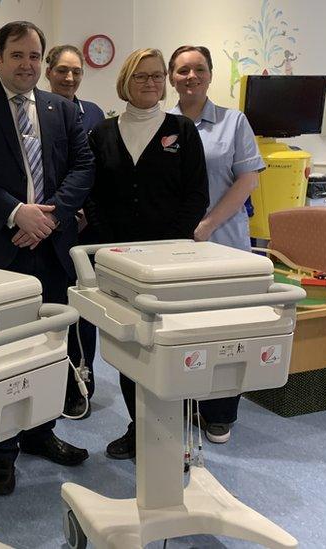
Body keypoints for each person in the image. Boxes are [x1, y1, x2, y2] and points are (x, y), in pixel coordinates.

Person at [0, 21, 93, 496]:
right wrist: (16, 214)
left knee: (49, 348)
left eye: (34, 56)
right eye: (17, 55)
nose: (27, 64)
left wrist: (46, 219)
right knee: (3, 354)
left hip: (49, 249)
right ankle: (1, 452)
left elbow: (82, 167)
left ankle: (41, 433)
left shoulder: (61, 108)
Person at [84, 48, 209, 460]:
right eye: (142, 77)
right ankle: (140, 427)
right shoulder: (101, 133)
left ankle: (172, 433)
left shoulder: (182, 130)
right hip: (119, 261)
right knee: (130, 347)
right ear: (125, 81)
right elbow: (94, 194)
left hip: (170, 262)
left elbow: (196, 196)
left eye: (158, 77)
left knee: (170, 347)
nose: (152, 84)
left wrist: (169, 248)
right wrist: (109, 245)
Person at [168, 45, 265, 444]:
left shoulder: (232, 122)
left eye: (199, 69)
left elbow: (247, 180)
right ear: (172, 78)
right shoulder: (161, 123)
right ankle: (181, 402)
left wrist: (207, 226)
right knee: (180, 331)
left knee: (224, 332)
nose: (191, 76)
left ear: (210, 75)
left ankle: (220, 411)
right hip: (173, 250)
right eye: (182, 70)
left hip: (223, 243)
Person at [43, 43, 105, 419]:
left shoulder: (94, 114)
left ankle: (82, 379)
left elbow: (96, 170)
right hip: (44, 224)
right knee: (50, 307)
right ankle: (49, 382)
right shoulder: (31, 111)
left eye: (76, 71)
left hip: (84, 227)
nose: (69, 78)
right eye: (62, 70)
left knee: (84, 310)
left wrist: (84, 210)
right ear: (48, 71)